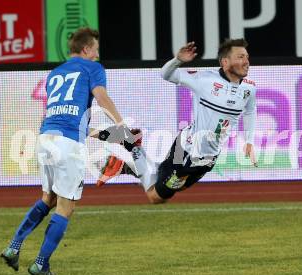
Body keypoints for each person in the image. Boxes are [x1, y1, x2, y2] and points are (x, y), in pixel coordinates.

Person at [0, 27, 133, 275]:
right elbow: (102, 98)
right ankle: (41, 264)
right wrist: (121, 126)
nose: (96, 54)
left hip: (46, 137)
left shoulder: (55, 74)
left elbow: (70, 120)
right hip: (67, 144)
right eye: (94, 49)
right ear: (86, 49)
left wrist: (109, 134)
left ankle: (13, 247)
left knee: (47, 199)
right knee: (65, 207)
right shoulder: (92, 68)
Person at [97, 39, 257, 204]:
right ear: (225, 62)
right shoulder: (205, 80)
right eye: (240, 57)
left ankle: (127, 165)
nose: (246, 62)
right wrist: (178, 60)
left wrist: (249, 141)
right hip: (187, 150)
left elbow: (251, 111)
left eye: (246, 57)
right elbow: (166, 74)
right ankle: (133, 149)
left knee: (171, 182)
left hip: (209, 157)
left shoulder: (249, 89)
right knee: (156, 197)